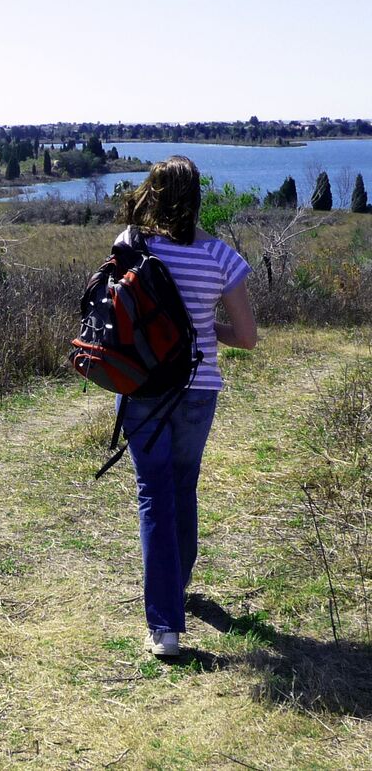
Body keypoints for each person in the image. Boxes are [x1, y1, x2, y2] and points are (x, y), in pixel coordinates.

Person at [116, 155, 257, 658]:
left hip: (143, 387)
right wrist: (200, 332)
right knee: (182, 487)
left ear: (152, 194)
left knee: (154, 494)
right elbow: (247, 337)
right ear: (196, 199)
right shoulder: (221, 257)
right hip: (199, 389)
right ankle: (175, 590)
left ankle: (165, 628)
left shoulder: (135, 253)